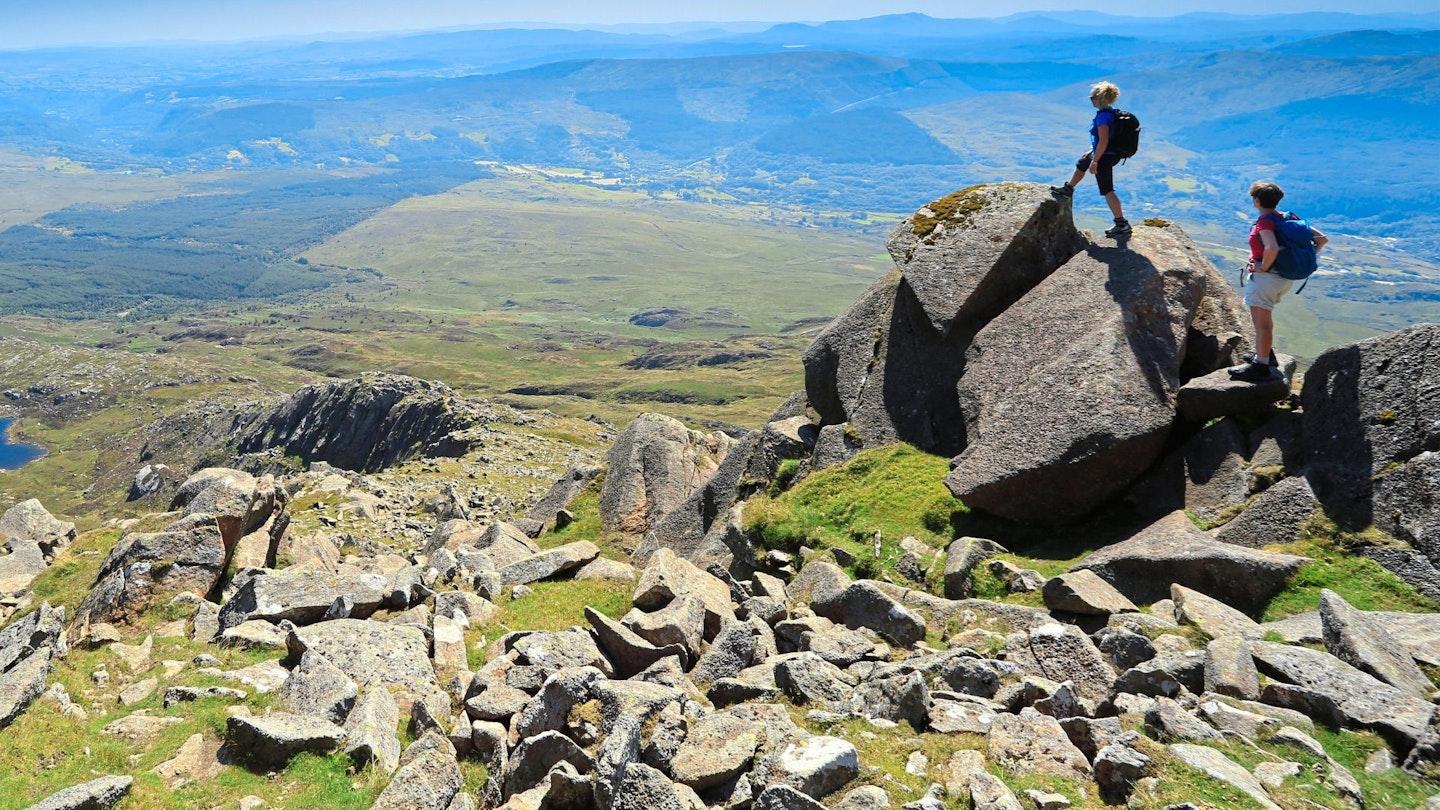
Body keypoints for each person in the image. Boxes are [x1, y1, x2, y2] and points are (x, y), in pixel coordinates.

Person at [1229, 181, 1328, 382]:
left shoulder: (1265, 222)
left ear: (1256, 200)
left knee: (1262, 324)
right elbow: (1322, 239)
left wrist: (1264, 267)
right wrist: (1299, 259)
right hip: (1285, 278)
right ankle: (1264, 355)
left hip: (1267, 279)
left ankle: (1261, 365)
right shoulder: (1290, 217)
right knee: (1264, 320)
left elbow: (1271, 248)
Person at [1051, 81, 1130, 237]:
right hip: (1109, 154)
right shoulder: (1112, 113)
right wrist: (1091, 153)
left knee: (1107, 189)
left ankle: (1121, 223)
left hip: (1104, 157)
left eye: (1092, 97)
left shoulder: (1103, 118)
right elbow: (1108, 140)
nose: (1091, 99)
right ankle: (1069, 189)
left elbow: (1104, 140)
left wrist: (1095, 161)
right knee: (1082, 164)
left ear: (1099, 98)